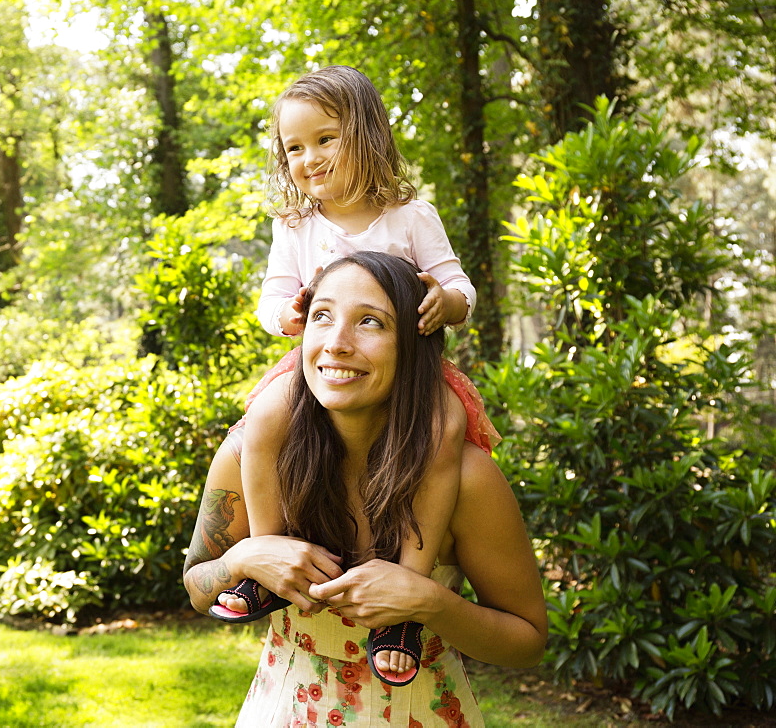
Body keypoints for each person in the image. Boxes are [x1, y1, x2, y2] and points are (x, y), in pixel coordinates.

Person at [209, 65, 500, 686]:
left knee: (445, 429)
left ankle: (407, 597)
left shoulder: (411, 217)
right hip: (316, 367)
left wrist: (445, 304)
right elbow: (273, 297)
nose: (308, 157)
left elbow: (457, 284)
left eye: (325, 138)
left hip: (411, 372)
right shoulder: (295, 227)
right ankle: (268, 560)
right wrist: (285, 315)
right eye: (294, 147)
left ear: (366, 134)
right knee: (262, 418)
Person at [184, 252, 547, 726]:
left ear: (414, 345)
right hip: (281, 710)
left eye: (371, 322)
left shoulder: (466, 479)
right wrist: (244, 559)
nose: (337, 343)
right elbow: (197, 585)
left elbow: (527, 643)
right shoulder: (249, 453)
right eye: (322, 316)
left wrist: (432, 604)